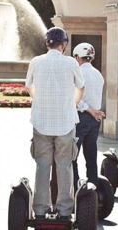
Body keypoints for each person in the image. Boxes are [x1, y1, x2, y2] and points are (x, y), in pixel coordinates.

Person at [25, 27, 85, 220]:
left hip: (41, 120)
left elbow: (28, 86)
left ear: (47, 43)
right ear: (64, 44)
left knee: (42, 166)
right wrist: (72, 104)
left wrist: (39, 100)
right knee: (64, 165)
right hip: (65, 122)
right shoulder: (70, 62)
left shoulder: (36, 62)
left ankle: (40, 209)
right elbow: (81, 87)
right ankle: (64, 210)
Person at [72, 43, 105, 188]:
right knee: (91, 155)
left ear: (78, 57)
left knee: (72, 155)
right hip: (95, 120)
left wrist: (89, 110)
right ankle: (93, 186)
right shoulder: (98, 74)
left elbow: (75, 99)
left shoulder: (78, 73)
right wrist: (94, 111)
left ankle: (75, 187)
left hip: (81, 118)